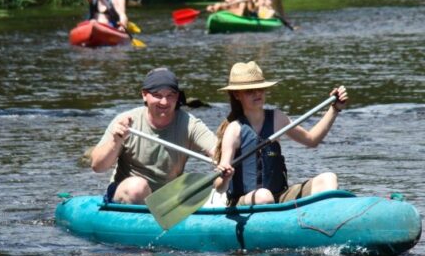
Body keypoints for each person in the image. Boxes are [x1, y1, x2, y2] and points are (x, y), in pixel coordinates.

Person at [213, 61, 348, 206]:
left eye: (260, 89)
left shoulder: (277, 118)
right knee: (264, 196)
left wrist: (334, 110)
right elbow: (219, 186)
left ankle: (325, 223)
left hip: (279, 197)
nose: (257, 93)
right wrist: (225, 177)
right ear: (237, 95)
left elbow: (312, 140)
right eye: (249, 91)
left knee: (328, 179)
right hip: (244, 201)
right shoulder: (234, 129)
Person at [91, 68, 217, 205]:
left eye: (170, 95)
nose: (164, 102)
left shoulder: (189, 124)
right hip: (127, 195)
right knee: (137, 188)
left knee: (207, 186)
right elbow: (98, 167)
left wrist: (224, 161)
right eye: (157, 95)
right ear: (144, 95)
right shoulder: (125, 122)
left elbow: (217, 150)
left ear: (177, 97)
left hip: (165, 200)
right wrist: (116, 141)